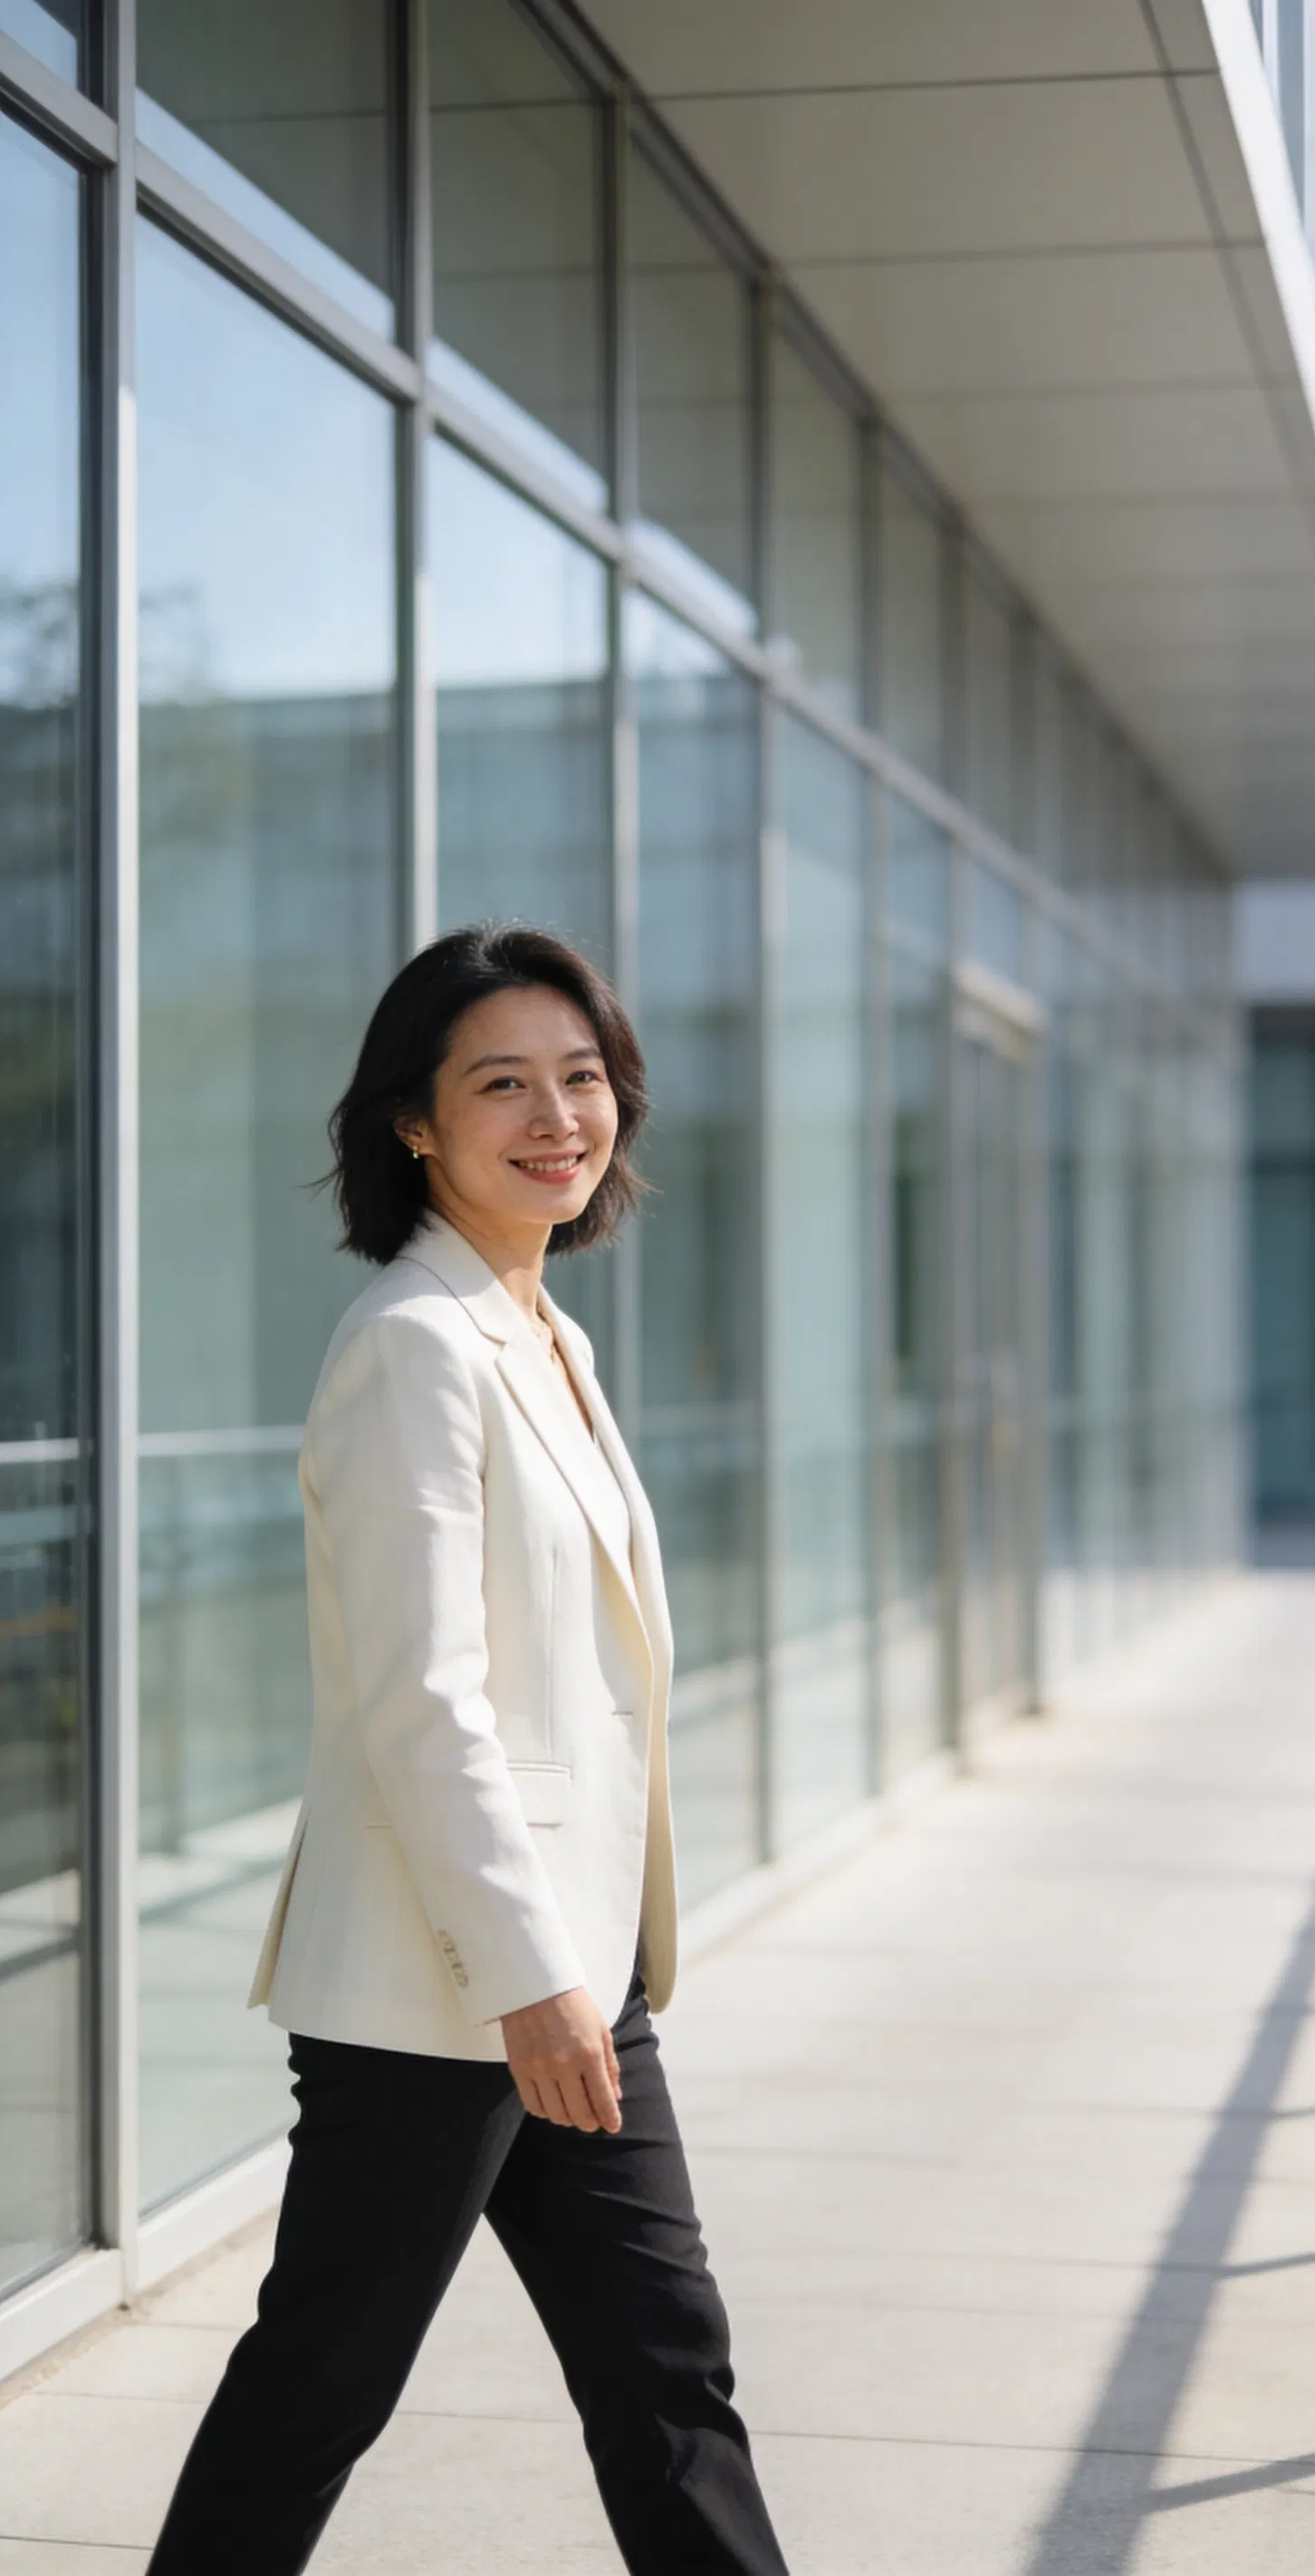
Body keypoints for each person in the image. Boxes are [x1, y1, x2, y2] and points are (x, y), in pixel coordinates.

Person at [146, 923, 790, 2576]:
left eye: (583, 1077)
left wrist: (574, 1976)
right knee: (320, 2388)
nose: (557, 1117)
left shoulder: (547, 1336)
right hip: (450, 1988)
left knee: (668, 2370)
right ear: (415, 1124)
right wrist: (528, 1979)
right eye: (503, 1084)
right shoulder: (414, 1344)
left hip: (576, 1965)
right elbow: (422, 1701)